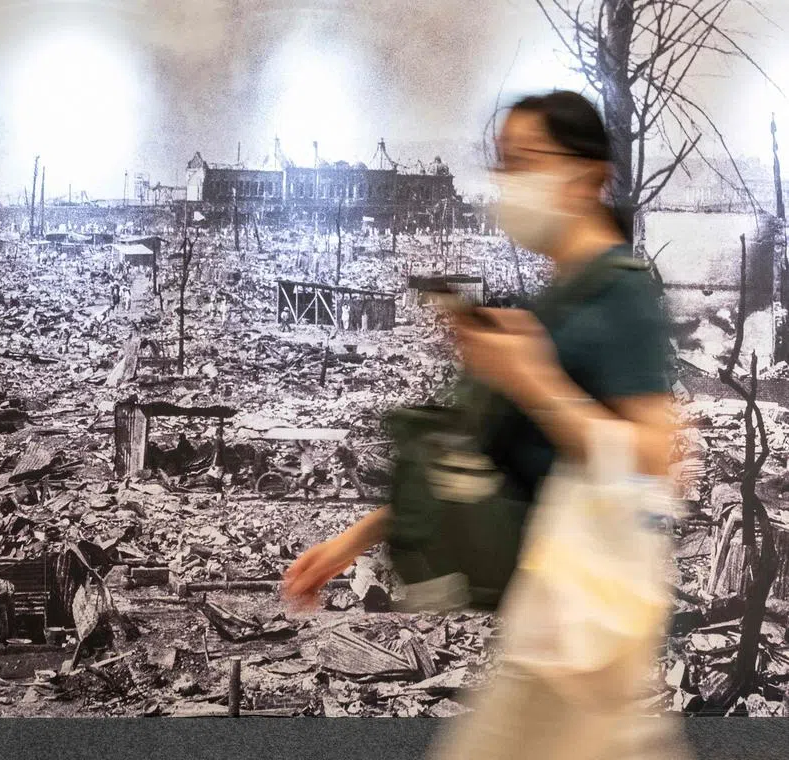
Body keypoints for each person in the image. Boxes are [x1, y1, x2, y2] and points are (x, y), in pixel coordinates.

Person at [283, 90, 688, 760]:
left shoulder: (622, 290)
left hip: (583, 608)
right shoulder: (558, 295)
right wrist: (351, 542)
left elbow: (656, 455)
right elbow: (484, 454)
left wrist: (532, 380)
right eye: (503, 164)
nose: (509, 184)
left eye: (526, 161)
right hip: (555, 608)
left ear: (590, 177)